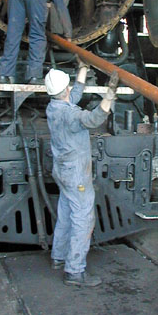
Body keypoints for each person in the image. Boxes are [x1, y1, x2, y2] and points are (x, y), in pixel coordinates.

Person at [45, 61, 119, 288]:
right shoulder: (70, 115)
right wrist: (109, 95)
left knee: (66, 212)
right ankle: (75, 272)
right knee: (83, 218)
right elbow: (93, 119)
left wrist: (83, 69)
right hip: (76, 174)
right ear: (65, 89)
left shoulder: (53, 107)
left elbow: (73, 96)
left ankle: (58, 257)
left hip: (61, 170)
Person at [0, 0, 73, 84]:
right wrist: (68, 34)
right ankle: (34, 76)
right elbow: (61, 8)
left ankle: (3, 75)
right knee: (37, 35)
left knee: (13, 34)